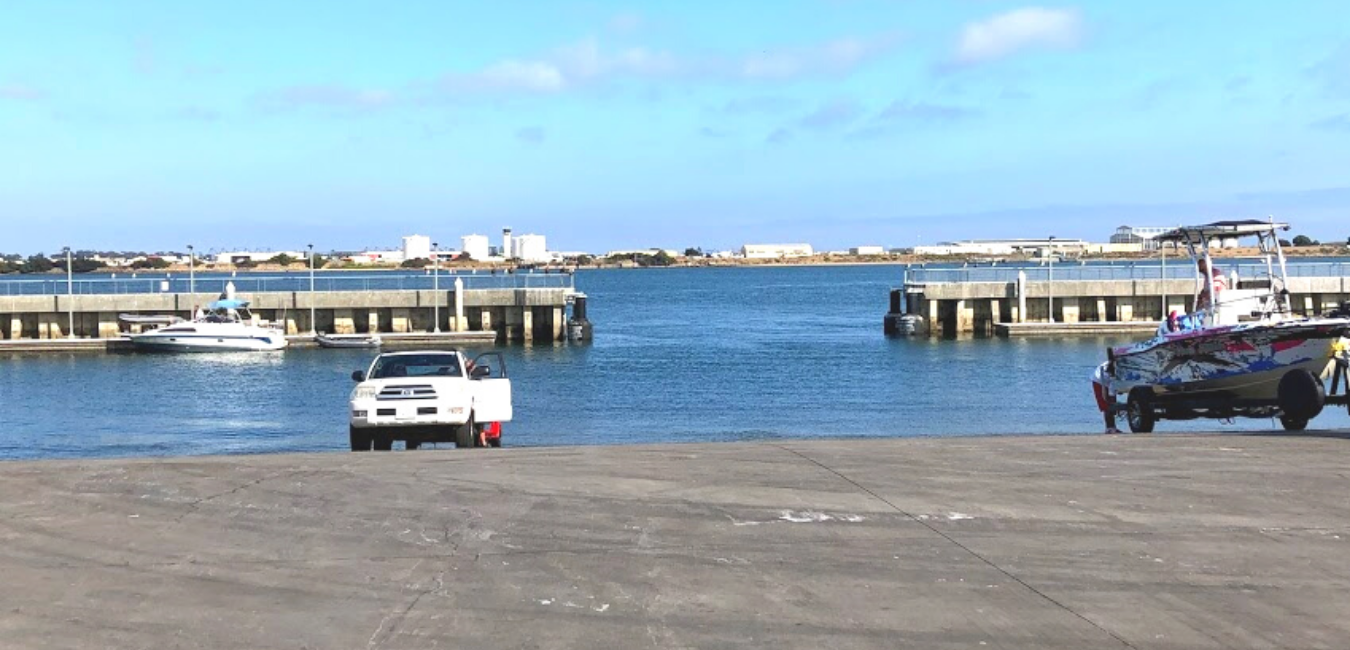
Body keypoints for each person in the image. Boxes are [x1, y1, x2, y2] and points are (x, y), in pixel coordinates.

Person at [1092, 361, 1120, 434]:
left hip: (1108, 379)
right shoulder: (1108, 375)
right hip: (1099, 381)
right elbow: (1109, 393)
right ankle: (1109, 428)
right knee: (1106, 405)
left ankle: (1113, 427)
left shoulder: (1120, 365)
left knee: (1112, 403)